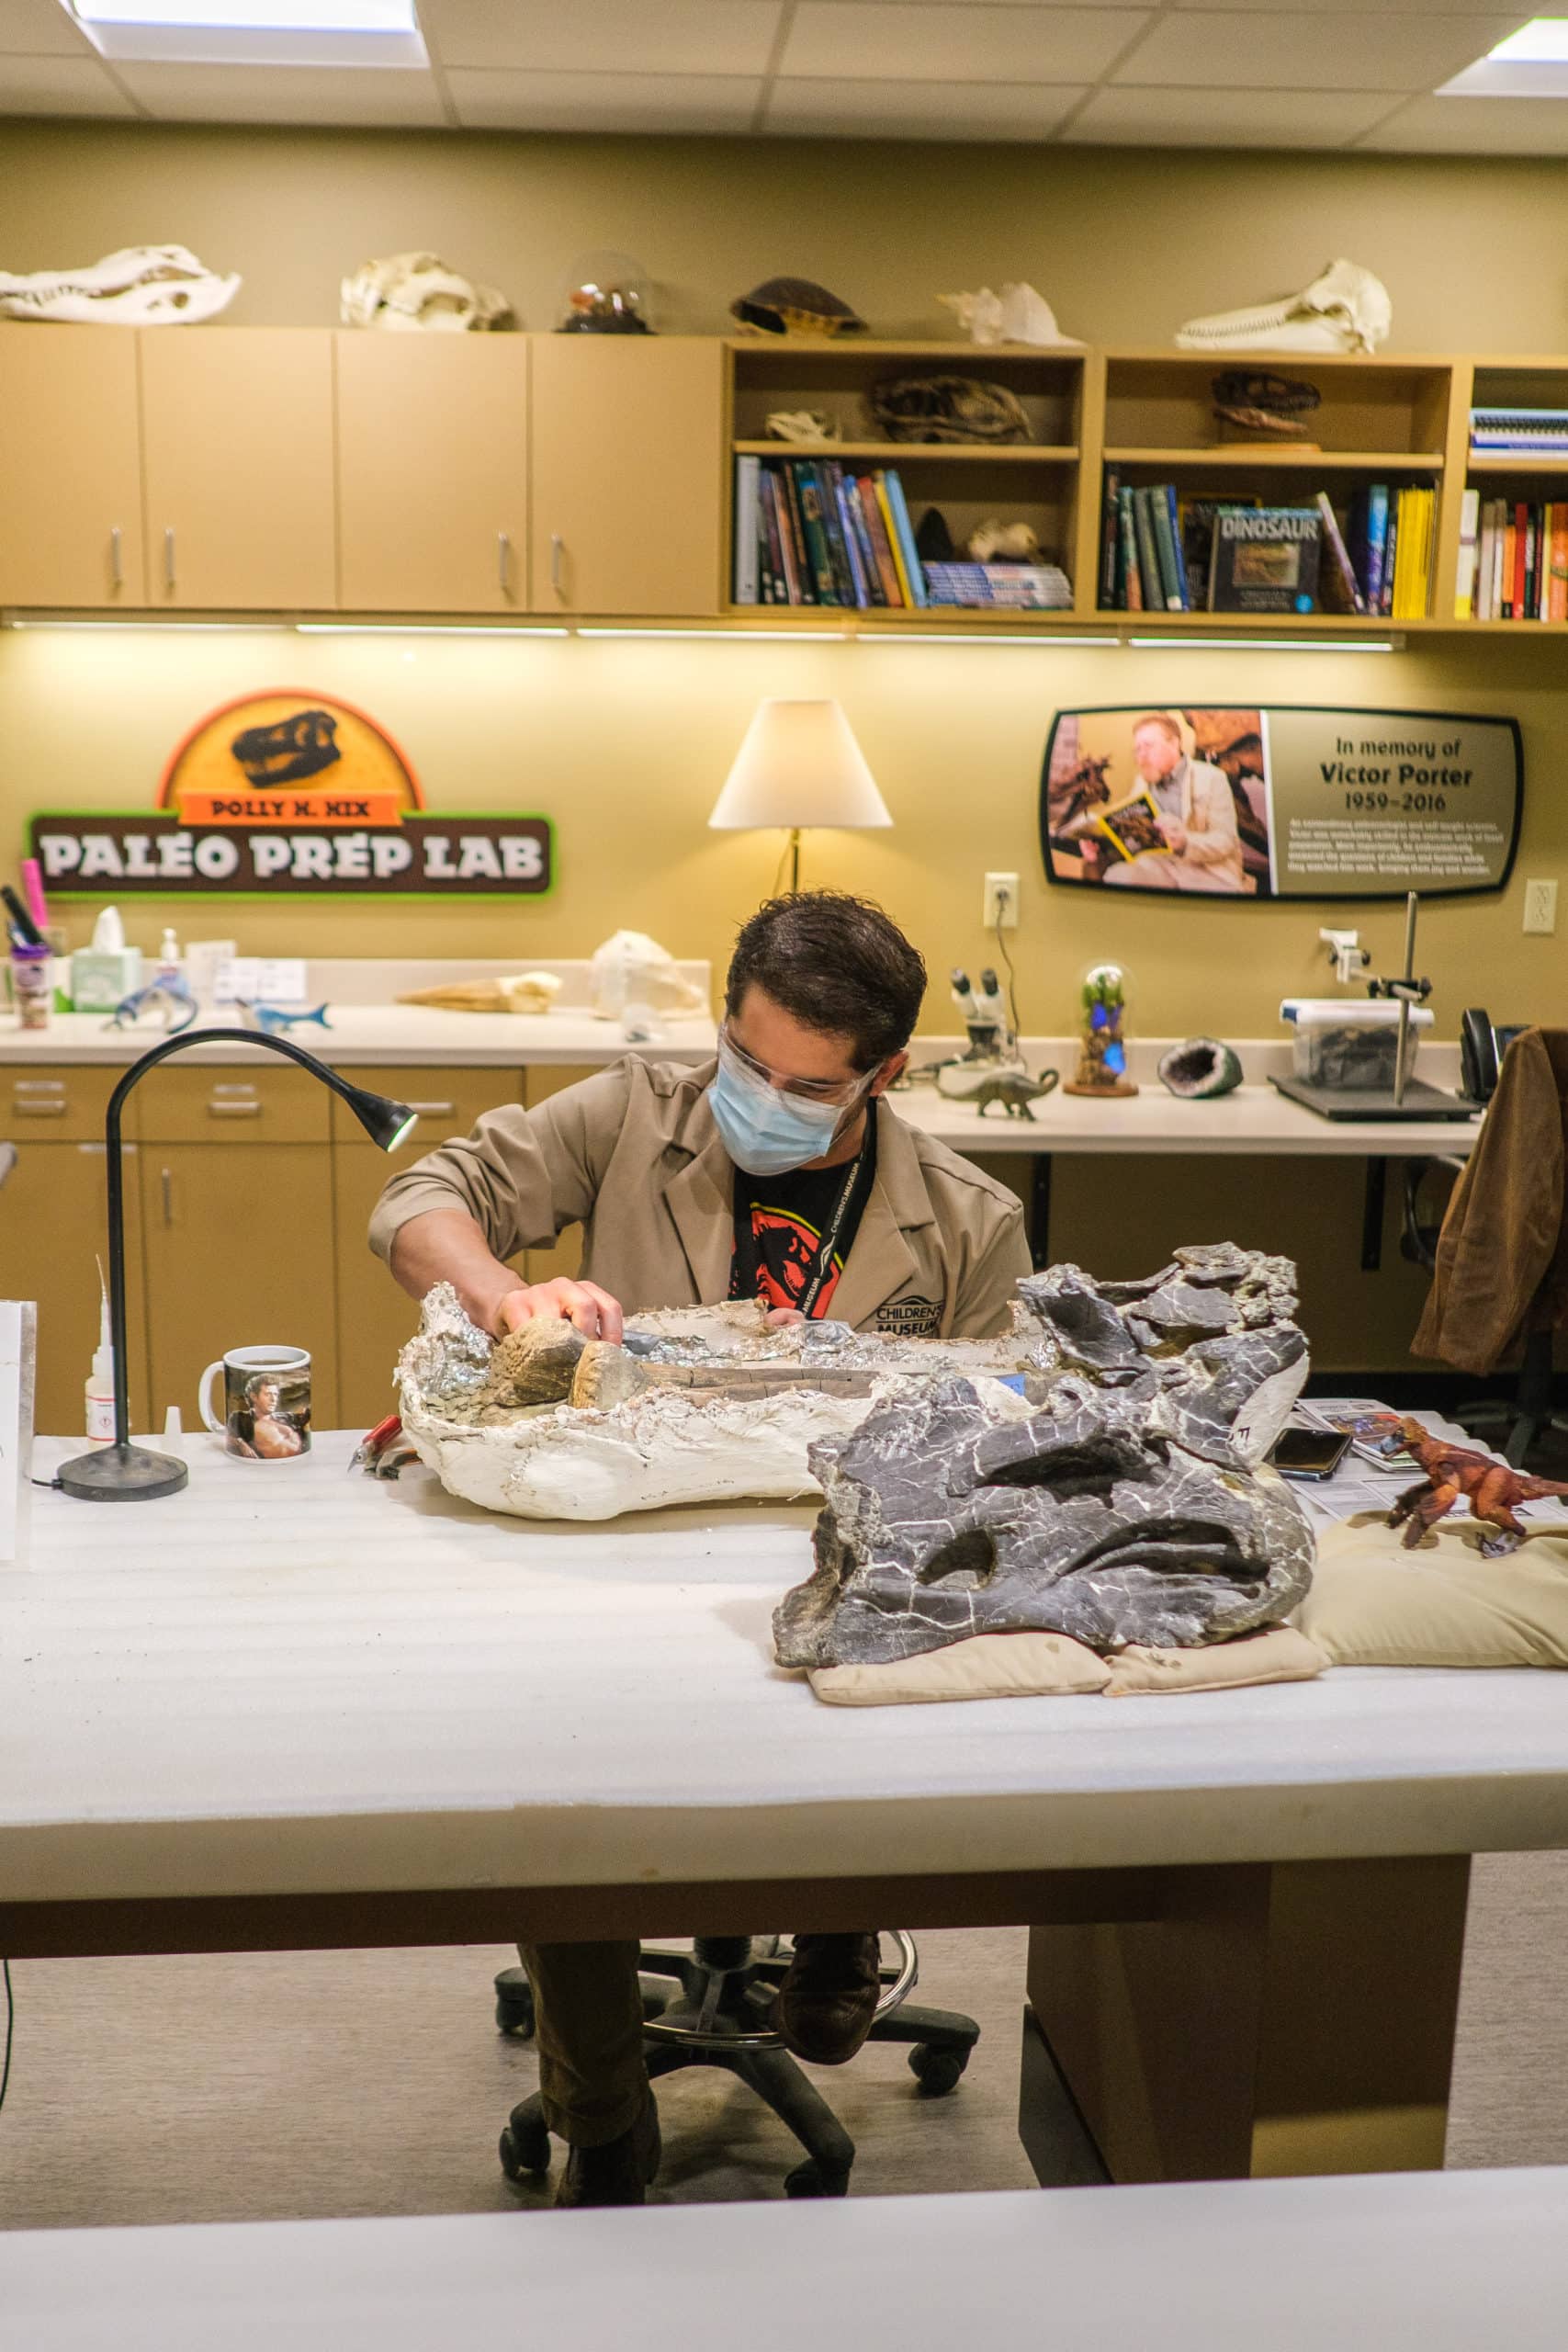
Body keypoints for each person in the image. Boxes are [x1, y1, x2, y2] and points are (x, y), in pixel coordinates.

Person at [370, 891, 1031, 2205]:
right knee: (561, 1788)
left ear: (884, 1075)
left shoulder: (965, 1222)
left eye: (809, 1086)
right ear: (719, 1026)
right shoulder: (631, 1117)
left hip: (825, 1566)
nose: (764, 1101)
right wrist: (510, 1293)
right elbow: (420, 1197)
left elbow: (992, 1452)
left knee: (889, 1694)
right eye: (747, 1063)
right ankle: (603, 2112)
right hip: (614, 1559)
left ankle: (839, 1927)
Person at [1099, 710, 1245, 893]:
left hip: (1207, 871)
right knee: (1115, 876)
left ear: (1174, 743)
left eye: (1148, 746)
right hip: (1160, 866)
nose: (1141, 756)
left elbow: (1226, 840)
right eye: (1138, 749)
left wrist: (1185, 843)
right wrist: (1100, 844)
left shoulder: (1212, 778)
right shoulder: (1141, 782)